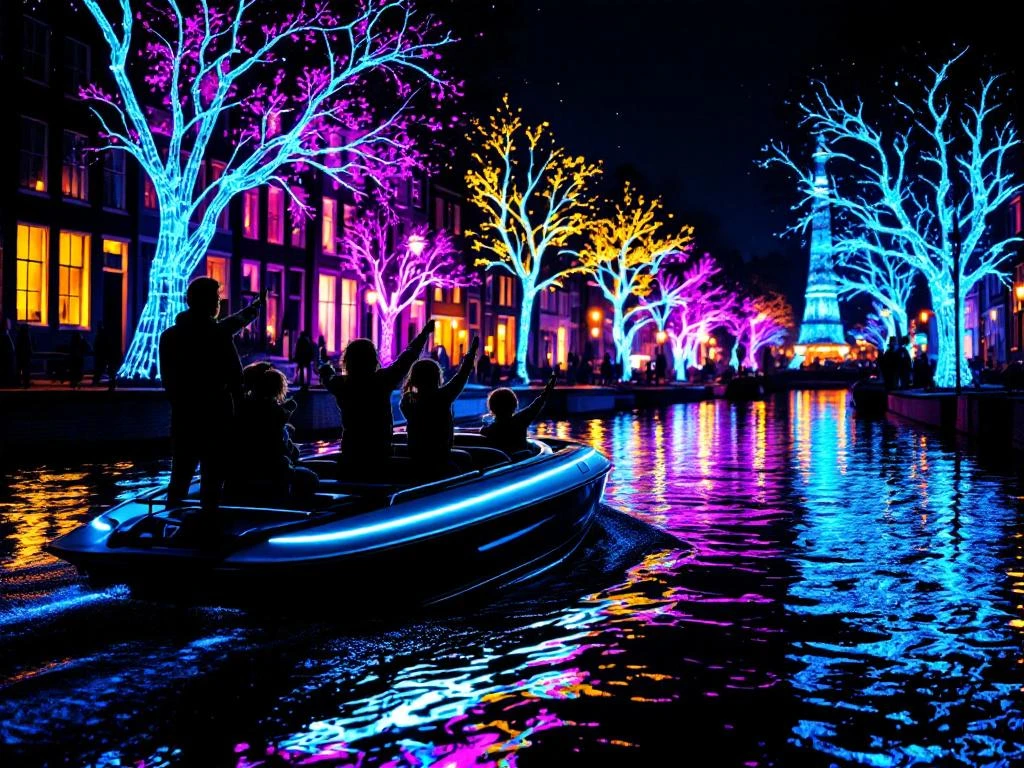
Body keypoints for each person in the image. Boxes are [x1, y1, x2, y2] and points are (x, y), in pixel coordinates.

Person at [159, 276, 266, 521]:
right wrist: (241, 411)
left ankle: (167, 524)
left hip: (184, 418)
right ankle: (209, 527)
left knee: (179, 477)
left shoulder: (169, 336)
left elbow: (169, 381)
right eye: (217, 298)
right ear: (209, 303)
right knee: (212, 479)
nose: (220, 302)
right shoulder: (218, 335)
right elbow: (236, 375)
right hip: (216, 418)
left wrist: (254, 309)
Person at [319, 320, 435, 474]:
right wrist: (424, 334)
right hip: (380, 451)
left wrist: (325, 368)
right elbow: (408, 356)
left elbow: (327, 377)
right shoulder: (382, 380)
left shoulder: (341, 384)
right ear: (373, 360)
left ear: (348, 361)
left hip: (351, 451)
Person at [228, 362, 318, 500]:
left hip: (240, 477)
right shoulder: (276, 415)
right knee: (311, 478)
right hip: (271, 475)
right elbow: (282, 451)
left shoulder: (239, 410)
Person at [400, 336, 480, 477]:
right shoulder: (442, 397)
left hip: (415, 455)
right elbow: (462, 376)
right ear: (437, 377)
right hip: (439, 457)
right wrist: (472, 353)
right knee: (465, 460)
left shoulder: (407, 400)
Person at [481, 373, 556, 456]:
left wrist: (485, 426)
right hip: (524, 458)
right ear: (514, 405)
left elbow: (483, 432)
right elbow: (538, 404)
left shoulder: (489, 430)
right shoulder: (520, 420)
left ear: (491, 408)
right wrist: (550, 385)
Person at [92, 324, 120, 390]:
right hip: (106, 355)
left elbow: (97, 346)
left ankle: (98, 381)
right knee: (108, 370)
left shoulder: (100, 337)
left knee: (101, 368)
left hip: (103, 355)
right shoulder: (107, 337)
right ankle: (111, 383)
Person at [0, 319, 16, 387]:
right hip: (6, 358)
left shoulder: (7, 334)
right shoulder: (4, 335)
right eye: (8, 323)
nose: (10, 325)